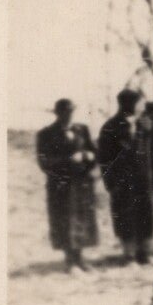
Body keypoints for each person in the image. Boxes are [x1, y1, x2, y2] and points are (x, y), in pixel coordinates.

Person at [36, 98, 99, 272]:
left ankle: (80, 259)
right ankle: (70, 261)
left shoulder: (82, 130)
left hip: (81, 184)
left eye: (71, 112)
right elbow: (44, 162)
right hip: (61, 186)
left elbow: (94, 152)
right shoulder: (46, 134)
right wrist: (67, 161)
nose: (68, 116)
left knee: (82, 220)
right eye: (64, 112)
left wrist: (88, 156)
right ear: (57, 114)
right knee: (64, 221)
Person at [96, 89, 153, 264]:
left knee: (146, 214)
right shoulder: (110, 127)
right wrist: (110, 183)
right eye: (140, 102)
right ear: (129, 104)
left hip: (145, 179)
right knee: (125, 215)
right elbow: (104, 158)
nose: (142, 106)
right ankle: (128, 254)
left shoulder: (146, 124)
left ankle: (145, 253)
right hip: (122, 182)